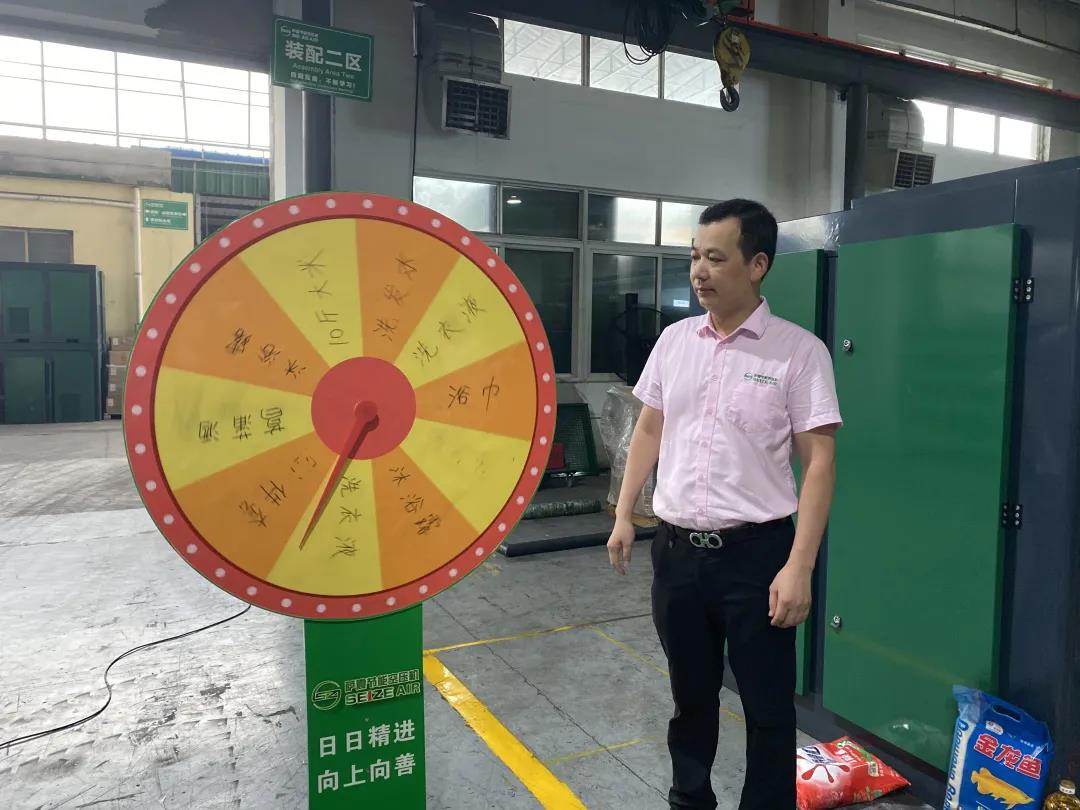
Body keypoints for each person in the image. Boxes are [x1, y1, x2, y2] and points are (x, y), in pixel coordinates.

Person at [606, 199, 842, 810]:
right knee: (690, 699)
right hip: (677, 554)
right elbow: (649, 429)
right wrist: (624, 513)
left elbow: (819, 463)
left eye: (715, 258)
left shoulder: (798, 352)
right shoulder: (674, 341)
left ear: (757, 264)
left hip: (757, 557)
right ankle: (689, 800)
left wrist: (799, 566)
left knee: (767, 706)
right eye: (694, 257)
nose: (698, 271)